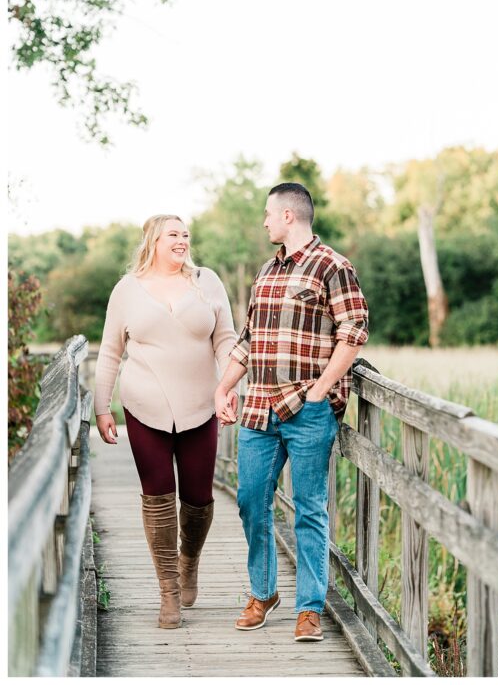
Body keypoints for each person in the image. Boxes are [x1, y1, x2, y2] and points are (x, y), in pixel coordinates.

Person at [214, 182, 369, 643]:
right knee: (249, 502)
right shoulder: (266, 272)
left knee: (309, 508)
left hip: (308, 408)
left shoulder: (334, 267)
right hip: (259, 407)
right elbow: (248, 339)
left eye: (267, 214)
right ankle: (263, 593)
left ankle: (309, 608)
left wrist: (321, 391)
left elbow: (354, 332)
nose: (263, 221)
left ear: (288, 216)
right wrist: (224, 387)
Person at [94, 215, 237, 629]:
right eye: (173, 234)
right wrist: (103, 407)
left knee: (199, 499)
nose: (183, 239)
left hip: (200, 405)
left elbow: (226, 338)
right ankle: (169, 591)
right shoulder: (127, 290)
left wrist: (227, 388)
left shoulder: (206, 281)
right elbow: (109, 351)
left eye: (186, 233)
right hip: (144, 406)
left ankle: (189, 559)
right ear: (153, 241)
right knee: (157, 496)